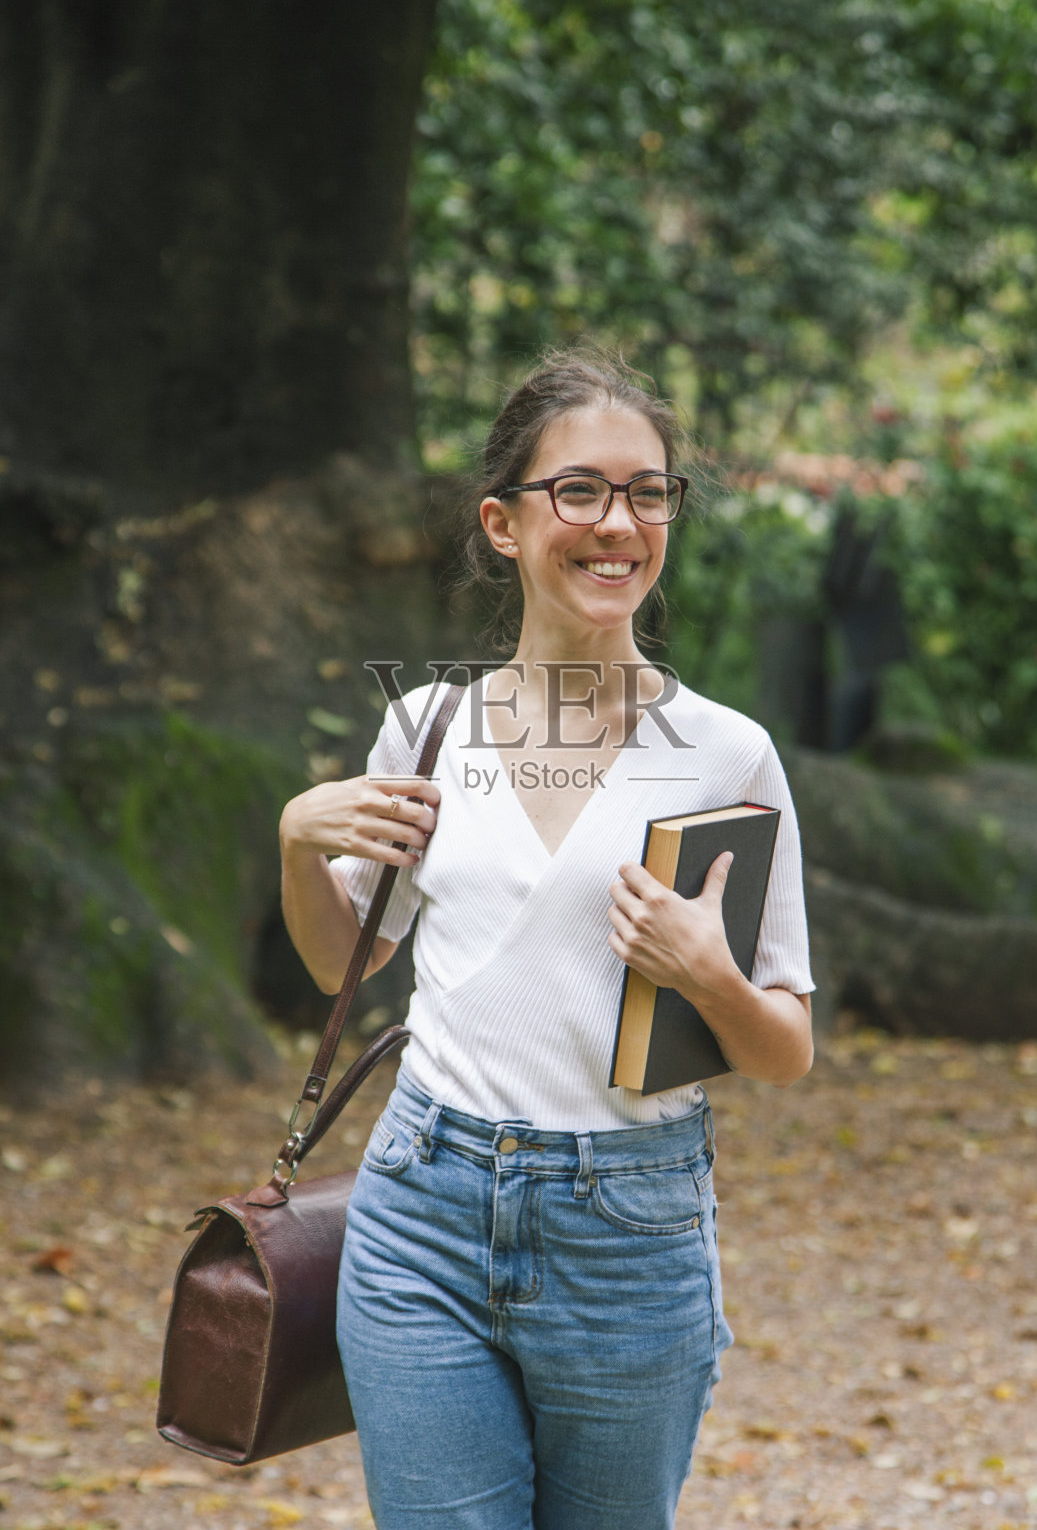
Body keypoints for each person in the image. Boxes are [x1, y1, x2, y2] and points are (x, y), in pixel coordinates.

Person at [279, 349, 814, 1530]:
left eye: (646, 491)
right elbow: (343, 966)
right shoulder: (424, 730)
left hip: (628, 1228)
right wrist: (294, 844)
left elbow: (783, 1048)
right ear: (504, 523)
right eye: (577, 489)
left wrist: (704, 970)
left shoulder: (726, 755)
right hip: (422, 1209)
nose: (616, 522)